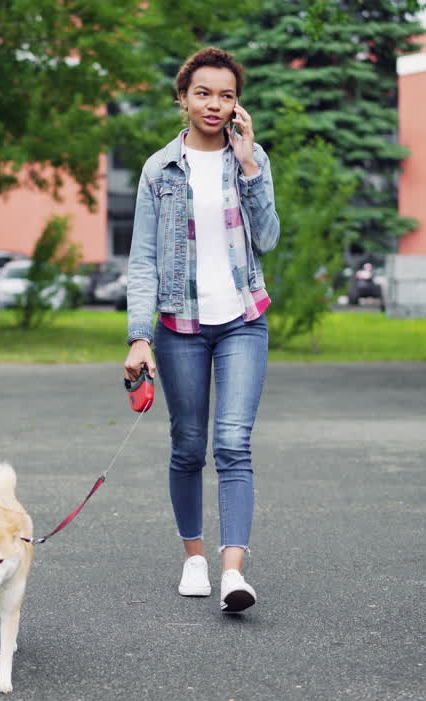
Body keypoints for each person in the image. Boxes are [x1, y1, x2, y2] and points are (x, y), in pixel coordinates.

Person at [123, 47, 280, 613]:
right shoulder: (158, 170)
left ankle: (233, 572)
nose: (215, 104)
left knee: (232, 444)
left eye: (227, 95)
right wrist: (139, 335)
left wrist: (253, 168)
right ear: (183, 97)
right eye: (204, 93)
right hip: (178, 326)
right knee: (188, 447)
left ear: (238, 104)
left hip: (242, 321)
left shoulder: (250, 158)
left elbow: (268, 238)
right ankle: (194, 557)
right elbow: (143, 261)